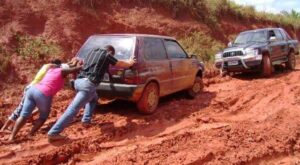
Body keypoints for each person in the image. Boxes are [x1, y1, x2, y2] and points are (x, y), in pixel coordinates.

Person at [47, 45, 135, 141]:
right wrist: (130, 63)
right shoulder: (106, 54)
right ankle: (53, 132)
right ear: (110, 52)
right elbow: (120, 63)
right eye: (112, 55)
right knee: (73, 109)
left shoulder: (92, 51)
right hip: (87, 86)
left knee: (94, 99)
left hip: (78, 82)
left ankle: (86, 120)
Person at [8, 60, 83, 142]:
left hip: (32, 90)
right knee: (43, 117)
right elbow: (76, 69)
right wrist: (81, 63)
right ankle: (30, 134)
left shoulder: (52, 69)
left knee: (23, 116)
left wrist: (73, 63)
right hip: (43, 94)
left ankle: (11, 137)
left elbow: (67, 66)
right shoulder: (61, 71)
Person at [0, 59, 61, 133]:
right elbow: (53, 66)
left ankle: (28, 117)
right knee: (20, 109)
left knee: (35, 108)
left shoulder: (45, 66)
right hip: (34, 88)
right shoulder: (50, 67)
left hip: (35, 88)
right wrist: (60, 67)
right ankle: (4, 128)